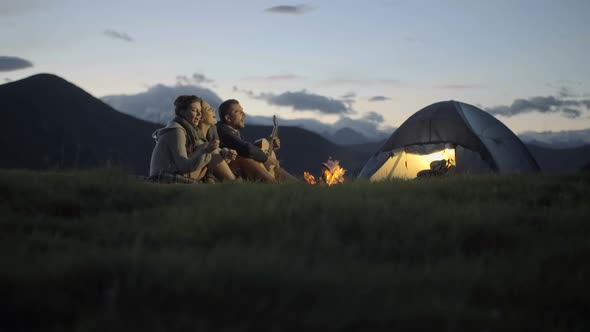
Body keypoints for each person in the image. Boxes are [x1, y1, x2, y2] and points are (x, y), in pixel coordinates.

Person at [216, 99, 296, 183]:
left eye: (242, 111)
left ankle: (303, 189)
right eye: (238, 111)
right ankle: (275, 187)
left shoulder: (232, 131)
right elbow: (246, 149)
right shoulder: (223, 131)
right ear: (228, 118)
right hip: (232, 169)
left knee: (278, 171)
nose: (244, 114)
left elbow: (248, 148)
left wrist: (270, 147)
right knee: (247, 160)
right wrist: (265, 159)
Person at [148, 95, 218, 183]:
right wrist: (205, 151)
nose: (199, 115)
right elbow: (183, 166)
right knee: (208, 153)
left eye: (200, 111)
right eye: (194, 110)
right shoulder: (176, 131)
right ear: (182, 112)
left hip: (171, 174)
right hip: (164, 177)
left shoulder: (189, 131)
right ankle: (232, 182)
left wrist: (224, 152)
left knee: (208, 153)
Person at [195, 99, 238, 182]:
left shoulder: (211, 133)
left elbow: (218, 149)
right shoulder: (194, 138)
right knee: (213, 151)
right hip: (195, 174)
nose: (214, 110)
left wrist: (226, 153)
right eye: (209, 109)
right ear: (200, 116)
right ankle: (234, 183)